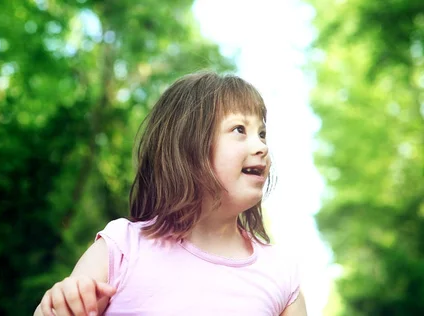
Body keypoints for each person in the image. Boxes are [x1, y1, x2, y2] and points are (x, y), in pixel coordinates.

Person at [34, 71, 308, 316]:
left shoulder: (281, 274)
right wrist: (57, 307)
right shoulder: (123, 248)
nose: (261, 146)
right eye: (239, 129)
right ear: (188, 147)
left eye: (262, 133)